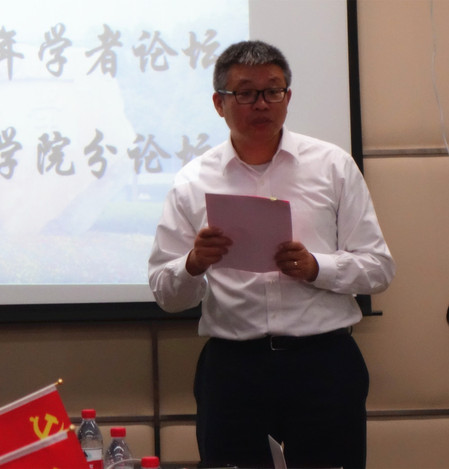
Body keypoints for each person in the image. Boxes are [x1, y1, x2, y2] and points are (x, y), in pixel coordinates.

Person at [148, 40, 395, 469]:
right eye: (245, 93)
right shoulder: (192, 182)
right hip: (234, 369)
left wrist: (317, 267)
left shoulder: (332, 166)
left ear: (288, 97)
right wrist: (193, 263)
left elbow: (379, 268)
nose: (261, 103)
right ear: (219, 103)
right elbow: (166, 295)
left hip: (323, 363)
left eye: (273, 91)